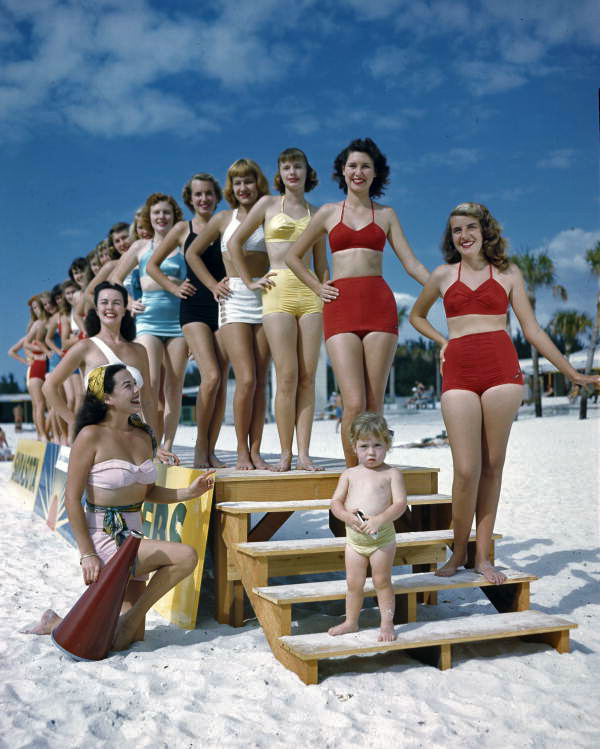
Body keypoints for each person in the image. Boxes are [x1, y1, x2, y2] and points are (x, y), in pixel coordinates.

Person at [409, 202, 600, 584]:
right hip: (459, 372)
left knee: (492, 466)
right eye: (456, 231)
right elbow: (416, 315)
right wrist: (443, 340)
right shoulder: (443, 275)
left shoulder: (509, 273)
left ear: (485, 230)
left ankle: (482, 557)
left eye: (469, 228)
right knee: (466, 470)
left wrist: (571, 373)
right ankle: (457, 550)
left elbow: (533, 331)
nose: (463, 236)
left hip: (501, 370)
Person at [23, 363, 215, 651]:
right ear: (107, 398)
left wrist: (188, 491)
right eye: (127, 385)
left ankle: (56, 621)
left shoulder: (144, 434)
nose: (136, 390)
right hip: (104, 538)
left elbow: (146, 491)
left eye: (135, 384)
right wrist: (86, 553)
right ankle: (130, 618)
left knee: (128, 638)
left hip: (134, 535)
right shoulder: (89, 436)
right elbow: (72, 499)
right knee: (186, 556)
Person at [286, 138, 429, 465]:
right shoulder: (327, 213)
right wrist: (317, 288)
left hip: (379, 305)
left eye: (365, 166)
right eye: (352, 166)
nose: (358, 172)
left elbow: (411, 263)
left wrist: (444, 286)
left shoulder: (387, 215)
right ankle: (354, 474)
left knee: (374, 403)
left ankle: (375, 472)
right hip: (340, 307)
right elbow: (294, 257)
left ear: (376, 172)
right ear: (342, 171)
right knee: (353, 402)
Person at [228, 148, 327, 471]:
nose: (292, 171)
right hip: (276, 291)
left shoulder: (318, 211)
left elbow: (322, 263)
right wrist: (249, 281)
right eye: (286, 166)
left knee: (308, 377)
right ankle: (285, 453)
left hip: (311, 294)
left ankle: (304, 454)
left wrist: (326, 291)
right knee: (286, 375)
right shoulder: (268, 204)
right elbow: (234, 243)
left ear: (306, 171)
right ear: (280, 173)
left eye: (298, 165)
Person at [186, 158, 271, 470]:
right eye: (237, 183)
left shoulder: (269, 214)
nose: (243, 188)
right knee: (245, 378)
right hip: (234, 299)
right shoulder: (223, 218)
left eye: (248, 181)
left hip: (266, 296)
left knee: (261, 381)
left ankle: (257, 450)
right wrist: (211, 285)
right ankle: (240, 451)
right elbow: (192, 253)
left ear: (257, 183)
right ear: (231, 188)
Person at [146, 173, 228, 468]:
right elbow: (152, 265)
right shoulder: (183, 228)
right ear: (190, 199)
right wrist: (173, 286)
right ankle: (200, 445)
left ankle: (211, 447)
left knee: (222, 382)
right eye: (198, 195)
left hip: (224, 306)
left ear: (216, 196)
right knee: (212, 375)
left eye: (208, 193)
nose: (204, 199)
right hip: (193, 308)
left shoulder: (225, 223)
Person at [43, 281, 173, 463]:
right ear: (96, 309)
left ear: (124, 309)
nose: (110, 307)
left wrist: (154, 442)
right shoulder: (85, 347)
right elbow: (49, 387)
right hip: (95, 439)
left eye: (116, 302)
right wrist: (73, 422)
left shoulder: (139, 350)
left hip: (133, 437)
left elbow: (148, 401)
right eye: (104, 302)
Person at [110, 194, 191, 453]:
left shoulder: (182, 244)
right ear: (149, 217)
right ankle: (152, 442)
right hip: (148, 319)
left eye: (166, 212)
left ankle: (168, 443)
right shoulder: (140, 247)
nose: (161, 217)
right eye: (156, 213)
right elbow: (114, 278)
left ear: (174, 215)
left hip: (178, 319)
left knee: (174, 385)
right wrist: (129, 302)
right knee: (149, 382)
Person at [328, 412, 407, 642]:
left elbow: (400, 504)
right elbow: (335, 503)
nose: (371, 452)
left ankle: (386, 623)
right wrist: (346, 517)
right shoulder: (349, 474)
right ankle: (351, 622)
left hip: (381, 539)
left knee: (382, 581)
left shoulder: (392, 474)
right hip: (355, 541)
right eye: (364, 446)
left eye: (377, 445)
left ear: (387, 445)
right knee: (354, 583)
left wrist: (379, 519)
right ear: (354, 447)